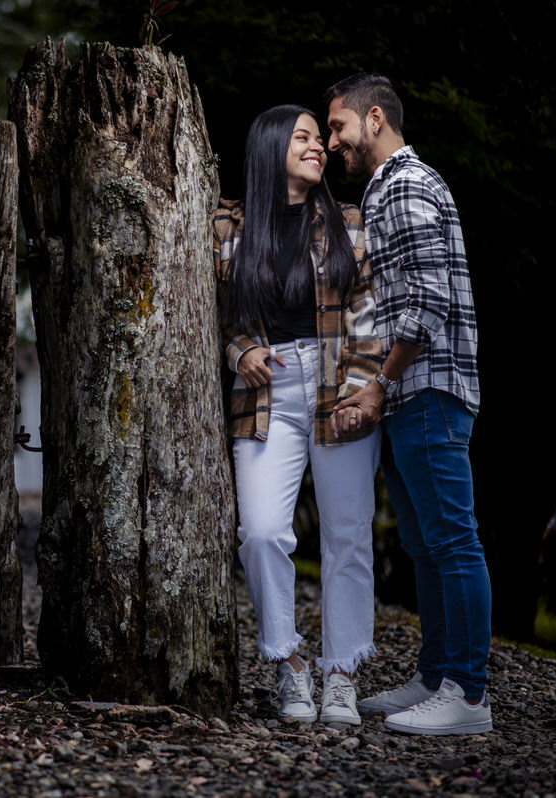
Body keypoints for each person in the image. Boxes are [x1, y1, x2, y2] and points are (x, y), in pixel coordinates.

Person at [325, 73, 491, 735]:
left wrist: (379, 384)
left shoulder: (405, 184)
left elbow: (425, 305)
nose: (332, 141)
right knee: (425, 548)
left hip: (426, 390)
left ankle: (468, 696)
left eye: (337, 127)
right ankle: (432, 675)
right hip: (413, 395)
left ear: (372, 119)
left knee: (453, 543)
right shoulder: (389, 187)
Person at [213, 105, 383, 726]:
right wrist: (242, 349)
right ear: (270, 148)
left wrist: (362, 390)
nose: (319, 147)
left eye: (321, 138)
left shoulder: (349, 225)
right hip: (266, 394)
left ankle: (341, 674)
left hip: (338, 389)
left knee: (346, 535)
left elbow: (370, 319)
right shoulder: (227, 228)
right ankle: (288, 664)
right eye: (305, 137)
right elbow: (215, 314)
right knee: (260, 533)